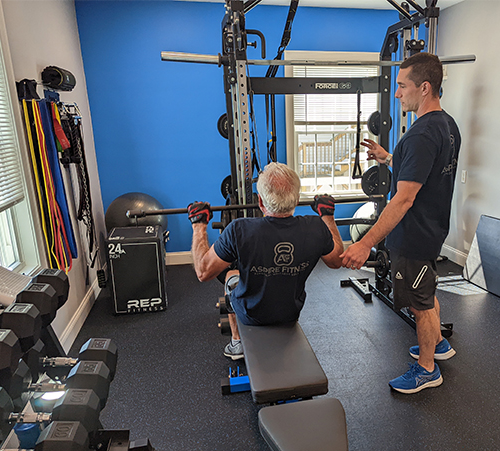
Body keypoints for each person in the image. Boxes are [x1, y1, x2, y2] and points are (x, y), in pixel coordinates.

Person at [341, 52, 461, 394]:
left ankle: (427, 369)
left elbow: (404, 198)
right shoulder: (447, 125)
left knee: (420, 304)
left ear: (424, 88)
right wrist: (389, 158)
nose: (397, 93)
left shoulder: (421, 134)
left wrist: (365, 243)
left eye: (402, 86)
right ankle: (437, 344)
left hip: (414, 233)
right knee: (429, 290)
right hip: (433, 228)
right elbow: (421, 174)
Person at [188, 162, 344, 359]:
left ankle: (237, 343)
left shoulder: (239, 230)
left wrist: (199, 224)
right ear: (296, 200)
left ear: (260, 202)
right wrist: (327, 216)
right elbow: (336, 261)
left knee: (231, 275)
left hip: (252, 316)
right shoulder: (316, 227)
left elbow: (203, 272)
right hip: (290, 312)